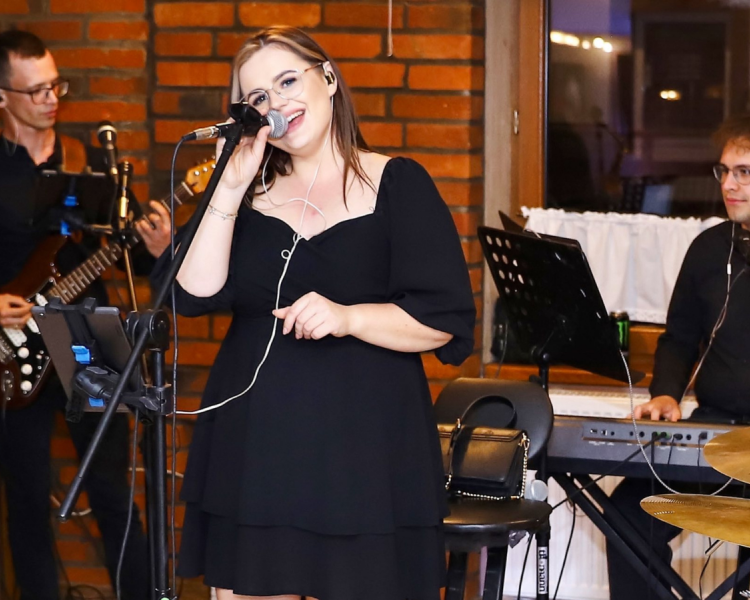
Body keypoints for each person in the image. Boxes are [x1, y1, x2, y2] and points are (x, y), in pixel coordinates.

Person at [157, 25, 476, 600]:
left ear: (327, 78)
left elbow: (444, 320)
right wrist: (227, 189)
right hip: (255, 451)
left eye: (287, 81)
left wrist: (349, 317)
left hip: (365, 456)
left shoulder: (397, 183)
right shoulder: (243, 196)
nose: (277, 103)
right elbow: (192, 295)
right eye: (258, 97)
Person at [0, 30, 171, 600]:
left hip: (86, 336)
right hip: (11, 349)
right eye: (37, 90)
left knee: (113, 493)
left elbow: (133, 260)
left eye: (56, 86)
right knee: (26, 498)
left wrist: (157, 248)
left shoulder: (93, 164)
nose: (52, 99)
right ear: (2, 96)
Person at [606, 114, 750, 600]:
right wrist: (666, 393)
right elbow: (679, 338)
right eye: (724, 171)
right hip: (713, 433)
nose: (728, 185)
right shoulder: (710, 249)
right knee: (627, 517)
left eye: (744, 172)